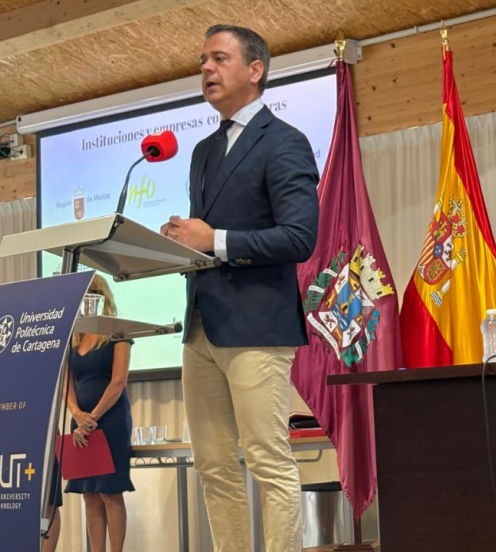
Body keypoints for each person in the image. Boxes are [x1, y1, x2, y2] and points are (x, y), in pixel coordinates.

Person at [160, 24, 319, 552]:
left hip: (257, 325)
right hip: (202, 326)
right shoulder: (203, 150)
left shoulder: (285, 142)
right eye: (202, 59)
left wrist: (216, 239)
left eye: (218, 59)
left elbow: (300, 237)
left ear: (255, 71)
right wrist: (182, 244)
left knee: (268, 460)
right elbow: (207, 239)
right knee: (212, 464)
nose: (205, 69)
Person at [65, 274, 134, 552]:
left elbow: (118, 382)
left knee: (109, 491)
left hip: (110, 420)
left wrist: (90, 418)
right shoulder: (73, 335)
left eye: (85, 297)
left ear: (99, 297)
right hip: (79, 423)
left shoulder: (119, 332)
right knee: (89, 494)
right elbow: (67, 383)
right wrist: (76, 414)